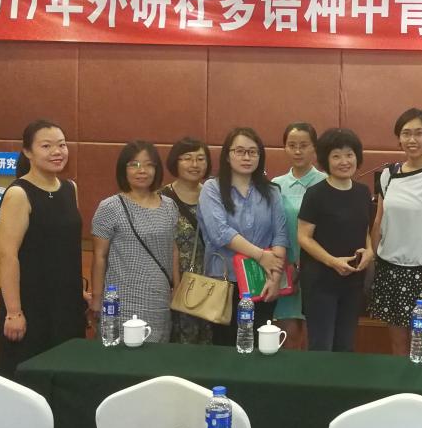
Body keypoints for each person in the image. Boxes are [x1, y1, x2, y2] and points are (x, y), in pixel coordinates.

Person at [0, 120, 86, 378]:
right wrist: (14, 312)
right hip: (31, 304)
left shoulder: (70, 189)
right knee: (28, 378)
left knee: (66, 375)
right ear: (28, 152)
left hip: (66, 303)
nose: (57, 152)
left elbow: (66, 247)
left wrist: (78, 291)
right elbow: (7, 255)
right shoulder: (19, 193)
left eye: (62, 145)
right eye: (46, 146)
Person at [369, 108, 422, 355]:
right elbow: (379, 221)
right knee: (398, 345)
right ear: (399, 138)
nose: (412, 139)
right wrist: (372, 260)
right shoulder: (388, 175)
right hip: (390, 270)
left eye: (419, 133)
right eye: (406, 133)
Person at [198, 127, 287, 345]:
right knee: (225, 348)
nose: (246, 157)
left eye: (252, 152)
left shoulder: (272, 191)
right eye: (239, 151)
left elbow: (280, 236)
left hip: (262, 282)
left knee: (260, 347)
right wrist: (260, 255)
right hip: (225, 283)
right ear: (228, 156)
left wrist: (276, 277)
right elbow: (220, 233)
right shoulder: (212, 188)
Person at [90, 141, 179, 343]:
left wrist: (177, 288)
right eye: (134, 164)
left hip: (160, 299)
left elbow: (173, 250)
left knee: (156, 355)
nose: (142, 171)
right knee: (122, 355)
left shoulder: (169, 206)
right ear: (124, 169)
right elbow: (99, 256)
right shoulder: (110, 207)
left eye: (148, 165)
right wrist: (97, 298)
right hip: (121, 299)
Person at [297, 128, 374, 352]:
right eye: (336, 156)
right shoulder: (315, 194)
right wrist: (332, 261)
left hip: (353, 282)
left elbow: (365, 229)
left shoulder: (362, 192)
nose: (344, 161)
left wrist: (370, 251)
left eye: (349, 155)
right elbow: (303, 237)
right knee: (321, 346)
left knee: (346, 346)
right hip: (321, 282)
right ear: (325, 160)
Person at [272, 122, 325, 349]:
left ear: (314, 148)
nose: (297, 151)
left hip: (319, 268)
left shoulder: (326, 182)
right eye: (291, 145)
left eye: (304, 145)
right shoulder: (275, 185)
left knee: (316, 336)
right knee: (288, 333)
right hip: (285, 267)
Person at [161, 137, 213, 344]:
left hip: (212, 282)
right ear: (175, 161)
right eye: (187, 158)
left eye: (200, 158)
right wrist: (174, 283)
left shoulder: (214, 195)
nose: (194, 164)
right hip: (178, 282)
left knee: (210, 341)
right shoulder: (162, 198)